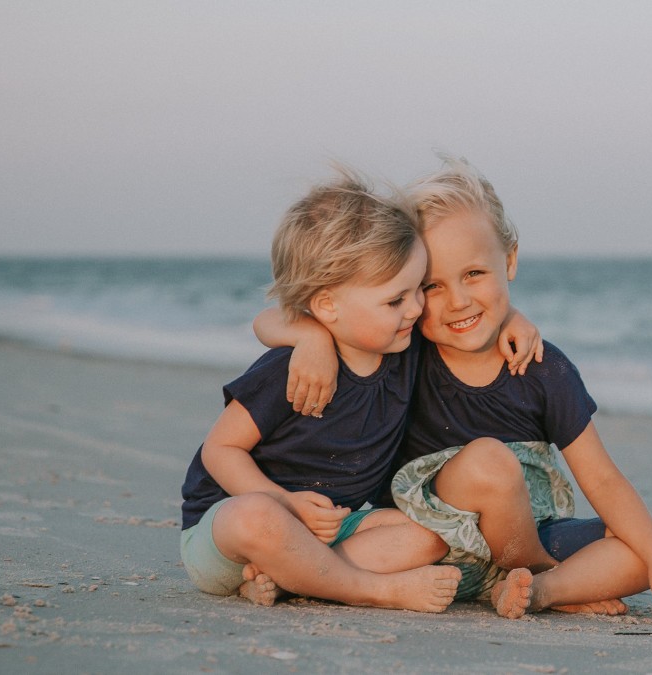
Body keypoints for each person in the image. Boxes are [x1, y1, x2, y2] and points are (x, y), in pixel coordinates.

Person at [264, 158, 652, 624]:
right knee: (489, 461)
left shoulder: (543, 368)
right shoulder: (403, 351)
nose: (458, 300)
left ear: (508, 260)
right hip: (430, 548)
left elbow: (603, 481)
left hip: (533, 537)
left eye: (474, 274)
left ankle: (542, 590)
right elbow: (272, 318)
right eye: (431, 285)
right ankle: (540, 573)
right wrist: (311, 338)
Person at [181, 168, 540, 612]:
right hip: (230, 531)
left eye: (416, 290)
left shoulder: (402, 347)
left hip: (335, 528)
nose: (415, 308)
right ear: (327, 306)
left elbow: (469, 309)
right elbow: (220, 451)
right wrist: (283, 501)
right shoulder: (292, 370)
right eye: (396, 299)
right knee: (259, 519)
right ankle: (369, 589)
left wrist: (512, 317)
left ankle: (296, 577)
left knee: (428, 537)